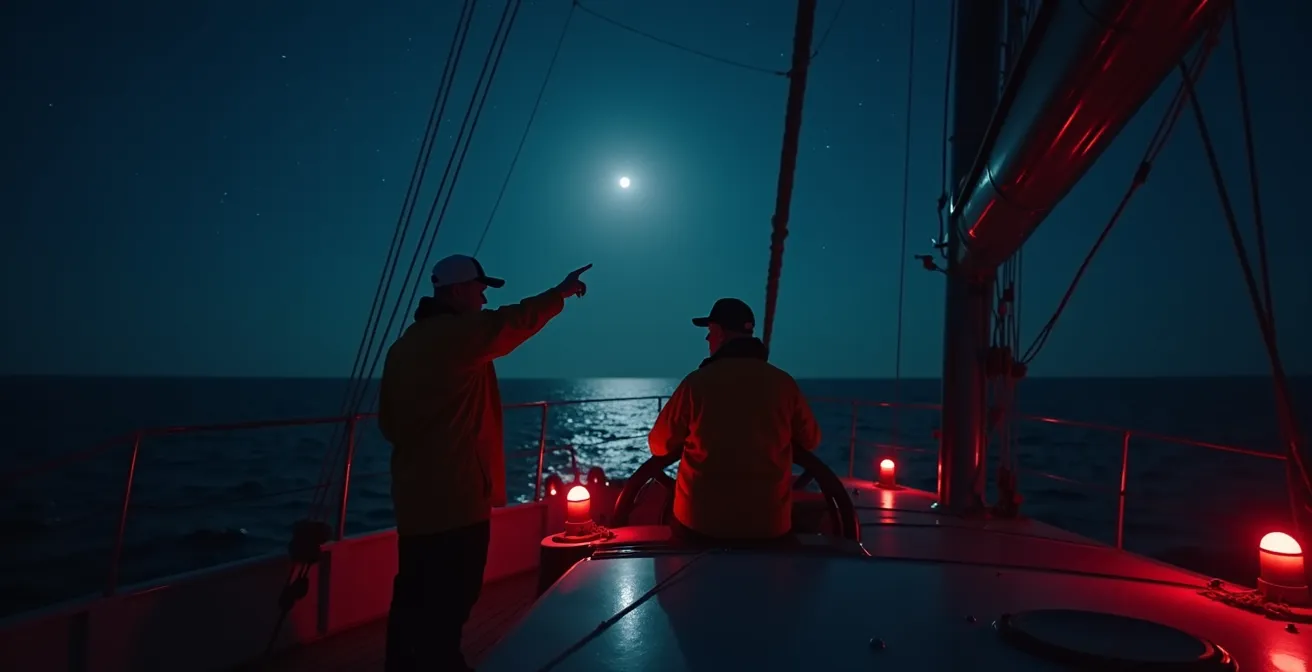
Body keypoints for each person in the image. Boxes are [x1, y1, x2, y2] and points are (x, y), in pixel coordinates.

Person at [379, 254, 591, 672]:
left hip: (415, 499)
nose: (483, 298)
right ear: (457, 291)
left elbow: (389, 422)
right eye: (479, 290)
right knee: (451, 600)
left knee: (413, 597)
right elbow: (511, 322)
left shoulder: (404, 347)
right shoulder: (458, 337)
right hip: (456, 498)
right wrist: (560, 293)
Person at [647, 297, 821, 543]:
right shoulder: (784, 384)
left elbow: (659, 445)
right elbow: (811, 440)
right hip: (770, 530)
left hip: (700, 529)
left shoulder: (696, 384)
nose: (707, 339)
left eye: (709, 332)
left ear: (718, 332)